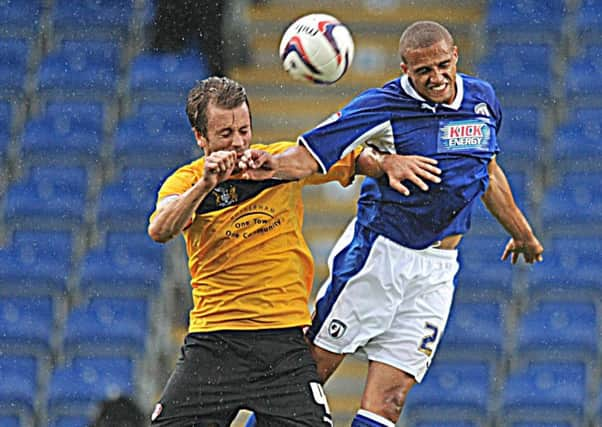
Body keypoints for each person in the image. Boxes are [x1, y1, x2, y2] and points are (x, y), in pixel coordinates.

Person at [242, 20, 544, 427]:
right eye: (424, 71)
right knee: (308, 376)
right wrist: (264, 164)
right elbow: (307, 156)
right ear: (405, 69)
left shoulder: (483, 99)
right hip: (379, 257)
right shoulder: (380, 106)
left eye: (442, 66)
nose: (436, 78)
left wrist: (522, 232)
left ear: (455, 56)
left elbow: (487, 170)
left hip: (437, 271)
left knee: (391, 400)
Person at [146, 76, 440, 426]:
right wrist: (205, 185)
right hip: (215, 344)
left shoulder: (279, 162)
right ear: (200, 137)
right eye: (226, 135)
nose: (239, 143)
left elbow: (354, 160)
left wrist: (386, 164)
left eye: (244, 130)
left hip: (283, 346)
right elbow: (161, 229)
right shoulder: (187, 181)